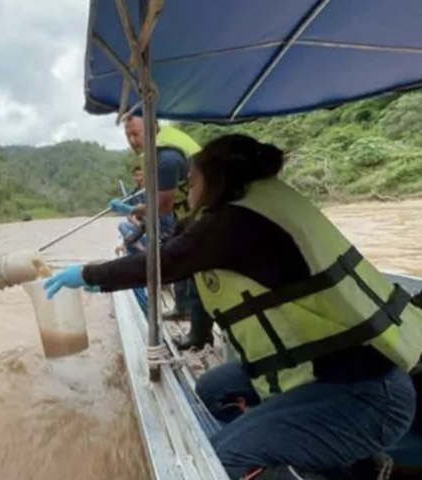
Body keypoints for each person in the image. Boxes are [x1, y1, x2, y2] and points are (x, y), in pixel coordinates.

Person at [43, 134, 422, 480]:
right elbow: (179, 236)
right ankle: (339, 461)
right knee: (214, 388)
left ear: (215, 179)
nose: (186, 189)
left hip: (366, 394)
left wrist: (88, 274)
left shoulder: (239, 221)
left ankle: (314, 462)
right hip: (325, 368)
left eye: (191, 180)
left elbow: (167, 261)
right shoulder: (254, 204)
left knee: (218, 462)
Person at [110, 116, 213, 349]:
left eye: (136, 133)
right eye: (128, 135)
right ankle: (184, 310)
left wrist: (130, 209)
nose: (132, 140)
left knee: (198, 273)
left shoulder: (166, 158)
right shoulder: (157, 152)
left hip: (206, 213)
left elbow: (161, 207)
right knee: (187, 266)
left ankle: (199, 334)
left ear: (152, 128)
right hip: (189, 214)